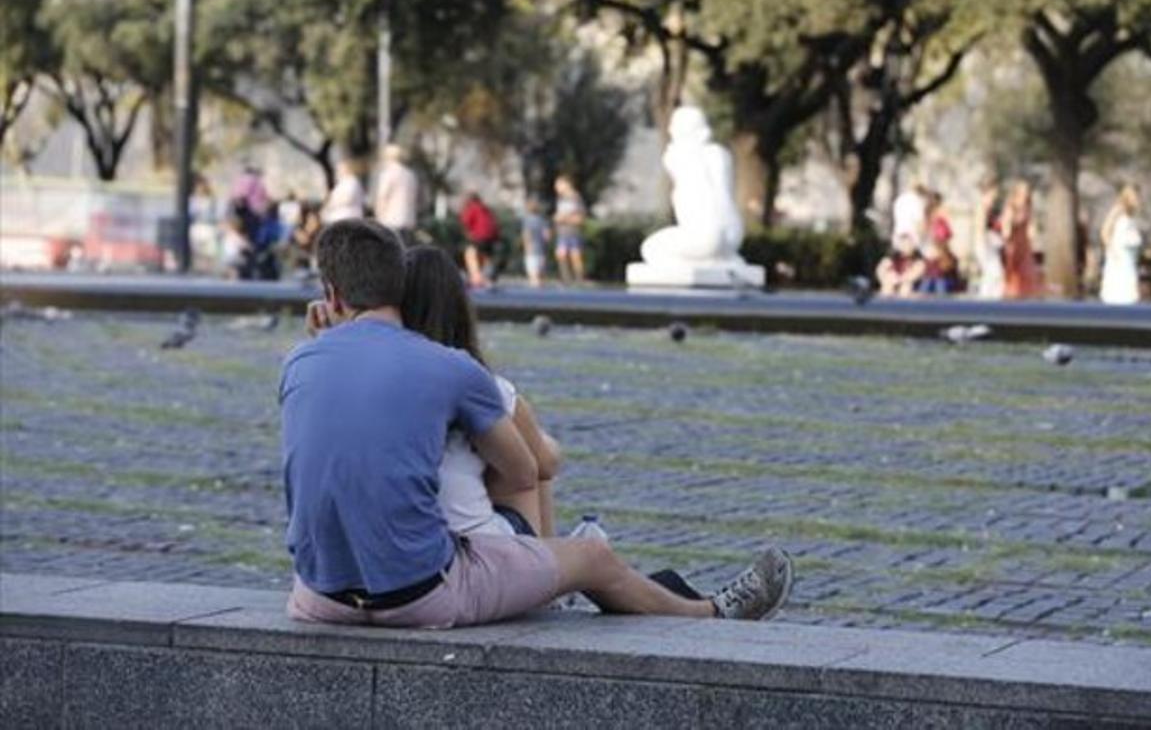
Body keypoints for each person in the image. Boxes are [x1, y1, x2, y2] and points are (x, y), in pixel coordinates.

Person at [281, 219, 793, 629]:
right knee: (592, 557)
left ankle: (552, 583)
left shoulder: (299, 363)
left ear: (330, 295)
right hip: (419, 597)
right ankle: (709, 613)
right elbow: (526, 472)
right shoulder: (452, 367)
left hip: (317, 597)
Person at [1099, 185, 1142, 305]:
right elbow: (1105, 231)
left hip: (1129, 256)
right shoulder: (1118, 209)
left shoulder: (1131, 214)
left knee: (1129, 286)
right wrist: (1112, 251)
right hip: (1119, 255)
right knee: (1118, 287)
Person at [1001, 180, 1041, 299]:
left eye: (1027, 193)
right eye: (1023, 193)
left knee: (1028, 276)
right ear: (1017, 194)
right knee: (1013, 278)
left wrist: (1033, 232)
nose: (1026, 196)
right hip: (1013, 246)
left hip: (1025, 247)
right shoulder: (1010, 207)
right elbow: (1005, 230)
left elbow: (1032, 229)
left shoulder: (1028, 208)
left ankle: (1025, 301)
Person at [373, 144, 420, 245]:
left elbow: (383, 197)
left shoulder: (388, 173)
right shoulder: (410, 175)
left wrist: (378, 217)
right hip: (408, 219)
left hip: (391, 219)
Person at [918, 190, 959, 294]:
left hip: (936, 261)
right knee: (936, 286)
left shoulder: (930, 221)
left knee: (931, 285)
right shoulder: (935, 222)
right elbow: (943, 238)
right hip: (937, 260)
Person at [459, 191, 500, 289]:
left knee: (470, 254)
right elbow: (494, 223)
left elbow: (464, 222)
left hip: (479, 236)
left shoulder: (472, 208)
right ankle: (488, 278)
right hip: (491, 237)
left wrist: (468, 234)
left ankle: (476, 278)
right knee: (486, 257)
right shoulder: (485, 208)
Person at [973, 177, 1005, 300]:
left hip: (989, 246)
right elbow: (980, 228)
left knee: (994, 275)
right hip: (985, 246)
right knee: (994, 273)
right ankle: (986, 302)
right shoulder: (982, 206)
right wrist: (985, 244)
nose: (996, 194)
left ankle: (990, 300)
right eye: (994, 191)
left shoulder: (988, 206)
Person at [553, 175, 587, 283]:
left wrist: (565, 219)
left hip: (573, 232)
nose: (556, 187)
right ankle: (565, 279)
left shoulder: (576, 198)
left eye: (559, 184)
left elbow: (580, 218)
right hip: (562, 233)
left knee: (575, 255)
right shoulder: (560, 199)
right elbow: (557, 216)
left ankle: (579, 279)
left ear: (567, 184)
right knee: (561, 254)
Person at [322, 160, 366, 224]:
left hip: (348, 216)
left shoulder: (352, 181)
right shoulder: (341, 182)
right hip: (337, 216)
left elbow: (348, 198)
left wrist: (334, 202)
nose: (338, 171)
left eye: (340, 169)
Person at [521, 198, 551, 288]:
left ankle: (534, 297)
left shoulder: (527, 221)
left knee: (533, 276)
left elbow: (527, 235)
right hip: (542, 250)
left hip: (531, 249)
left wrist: (526, 247)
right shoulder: (543, 221)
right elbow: (547, 236)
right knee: (541, 275)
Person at [891, 184, 927, 248]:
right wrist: (922, 237)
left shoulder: (899, 199)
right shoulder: (917, 201)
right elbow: (919, 222)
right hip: (911, 236)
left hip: (898, 233)